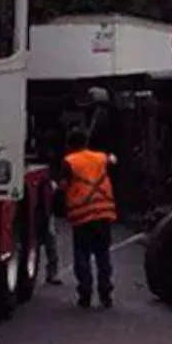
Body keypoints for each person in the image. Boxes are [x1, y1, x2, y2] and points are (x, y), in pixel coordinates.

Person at [56, 127, 117, 309]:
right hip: (103, 213)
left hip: (82, 216)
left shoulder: (69, 161)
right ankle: (106, 294)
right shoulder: (100, 157)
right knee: (103, 255)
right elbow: (113, 160)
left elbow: (63, 185)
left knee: (82, 255)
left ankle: (85, 294)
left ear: (69, 145)